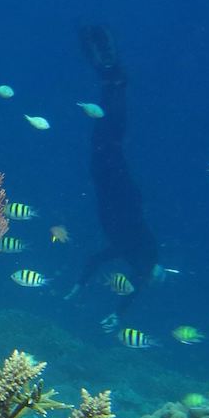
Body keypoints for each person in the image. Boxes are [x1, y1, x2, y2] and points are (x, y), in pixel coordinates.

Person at [67, 24, 163, 315]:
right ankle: (114, 79)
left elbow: (96, 260)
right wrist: (118, 312)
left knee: (107, 138)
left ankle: (111, 80)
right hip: (117, 190)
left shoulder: (126, 250)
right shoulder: (142, 254)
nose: (155, 277)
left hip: (110, 188)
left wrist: (80, 285)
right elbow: (137, 282)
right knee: (109, 138)